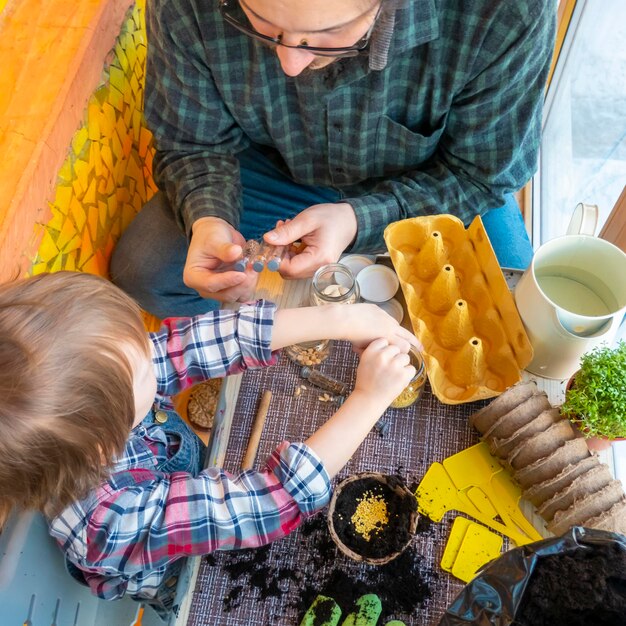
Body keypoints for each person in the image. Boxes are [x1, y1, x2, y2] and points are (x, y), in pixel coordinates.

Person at [0, 271, 417, 615]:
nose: (155, 354)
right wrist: (369, 399)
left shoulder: (92, 409)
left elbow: (186, 346)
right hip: (177, 569)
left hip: (183, 489)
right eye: (144, 371)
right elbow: (267, 502)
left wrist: (341, 320)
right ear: (105, 445)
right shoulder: (110, 526)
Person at [111, 0, 556, 319]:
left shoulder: (506, 11)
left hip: (435, 185)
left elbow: (480, 176)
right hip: (276, 170)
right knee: (146, 271)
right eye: (262, 24)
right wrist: (208, 217)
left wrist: (360, 219)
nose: (289, 63)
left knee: (510, 317)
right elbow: (193, 142)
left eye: (324, 36)